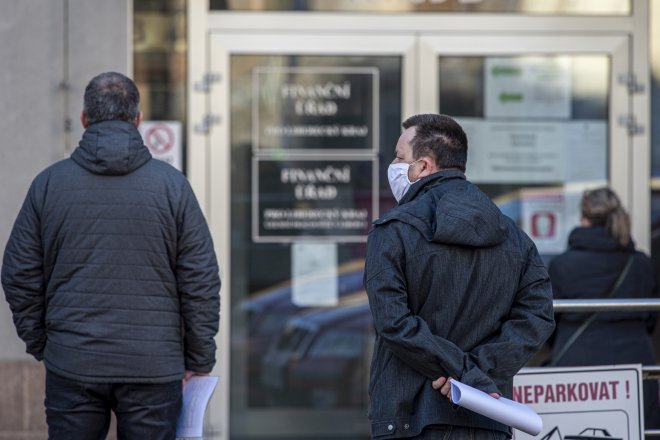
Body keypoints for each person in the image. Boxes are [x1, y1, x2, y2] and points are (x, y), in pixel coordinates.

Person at [2, 71, 220, 439]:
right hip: (154, 368)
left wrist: (45, 342)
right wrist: (199, 358)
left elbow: (18, 273)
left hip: (73, 363)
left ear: (86, 119)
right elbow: (200, 279)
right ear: (137, 120)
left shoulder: (49, 185)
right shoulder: (173, 187)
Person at [363, 113, 555, 439]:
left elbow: (394, 323)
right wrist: (480, 373)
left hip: (410, 418)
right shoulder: (514, 237)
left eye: (399, 157)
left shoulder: (392, 231)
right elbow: (538, 316)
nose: (393, 164)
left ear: (423, 166)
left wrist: (463, 373)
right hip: (488, 416)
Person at [548, 187, 660, 428]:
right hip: (636, 369)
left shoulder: (561, 265)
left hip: (576, 371)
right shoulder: (641, 264)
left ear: (583, 217)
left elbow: (548, 326)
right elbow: (651, 320)